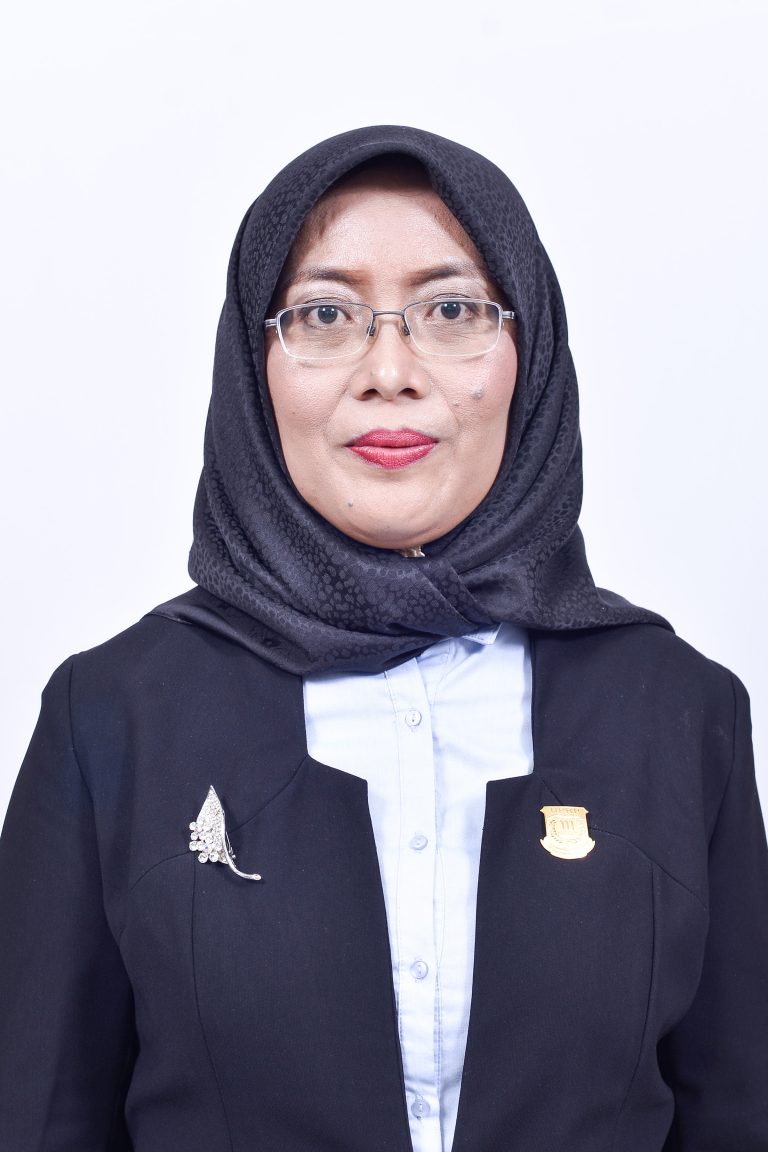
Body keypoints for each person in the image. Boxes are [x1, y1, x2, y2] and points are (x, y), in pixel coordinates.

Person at [0, 124, 766, 1151]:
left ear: (529, 355)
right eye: (326, 314)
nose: (390, 370)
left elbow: (737, 1111)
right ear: (255, 366)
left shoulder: (679, 712)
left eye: (452, 310)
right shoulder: (113, 716)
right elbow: (39, 1116)